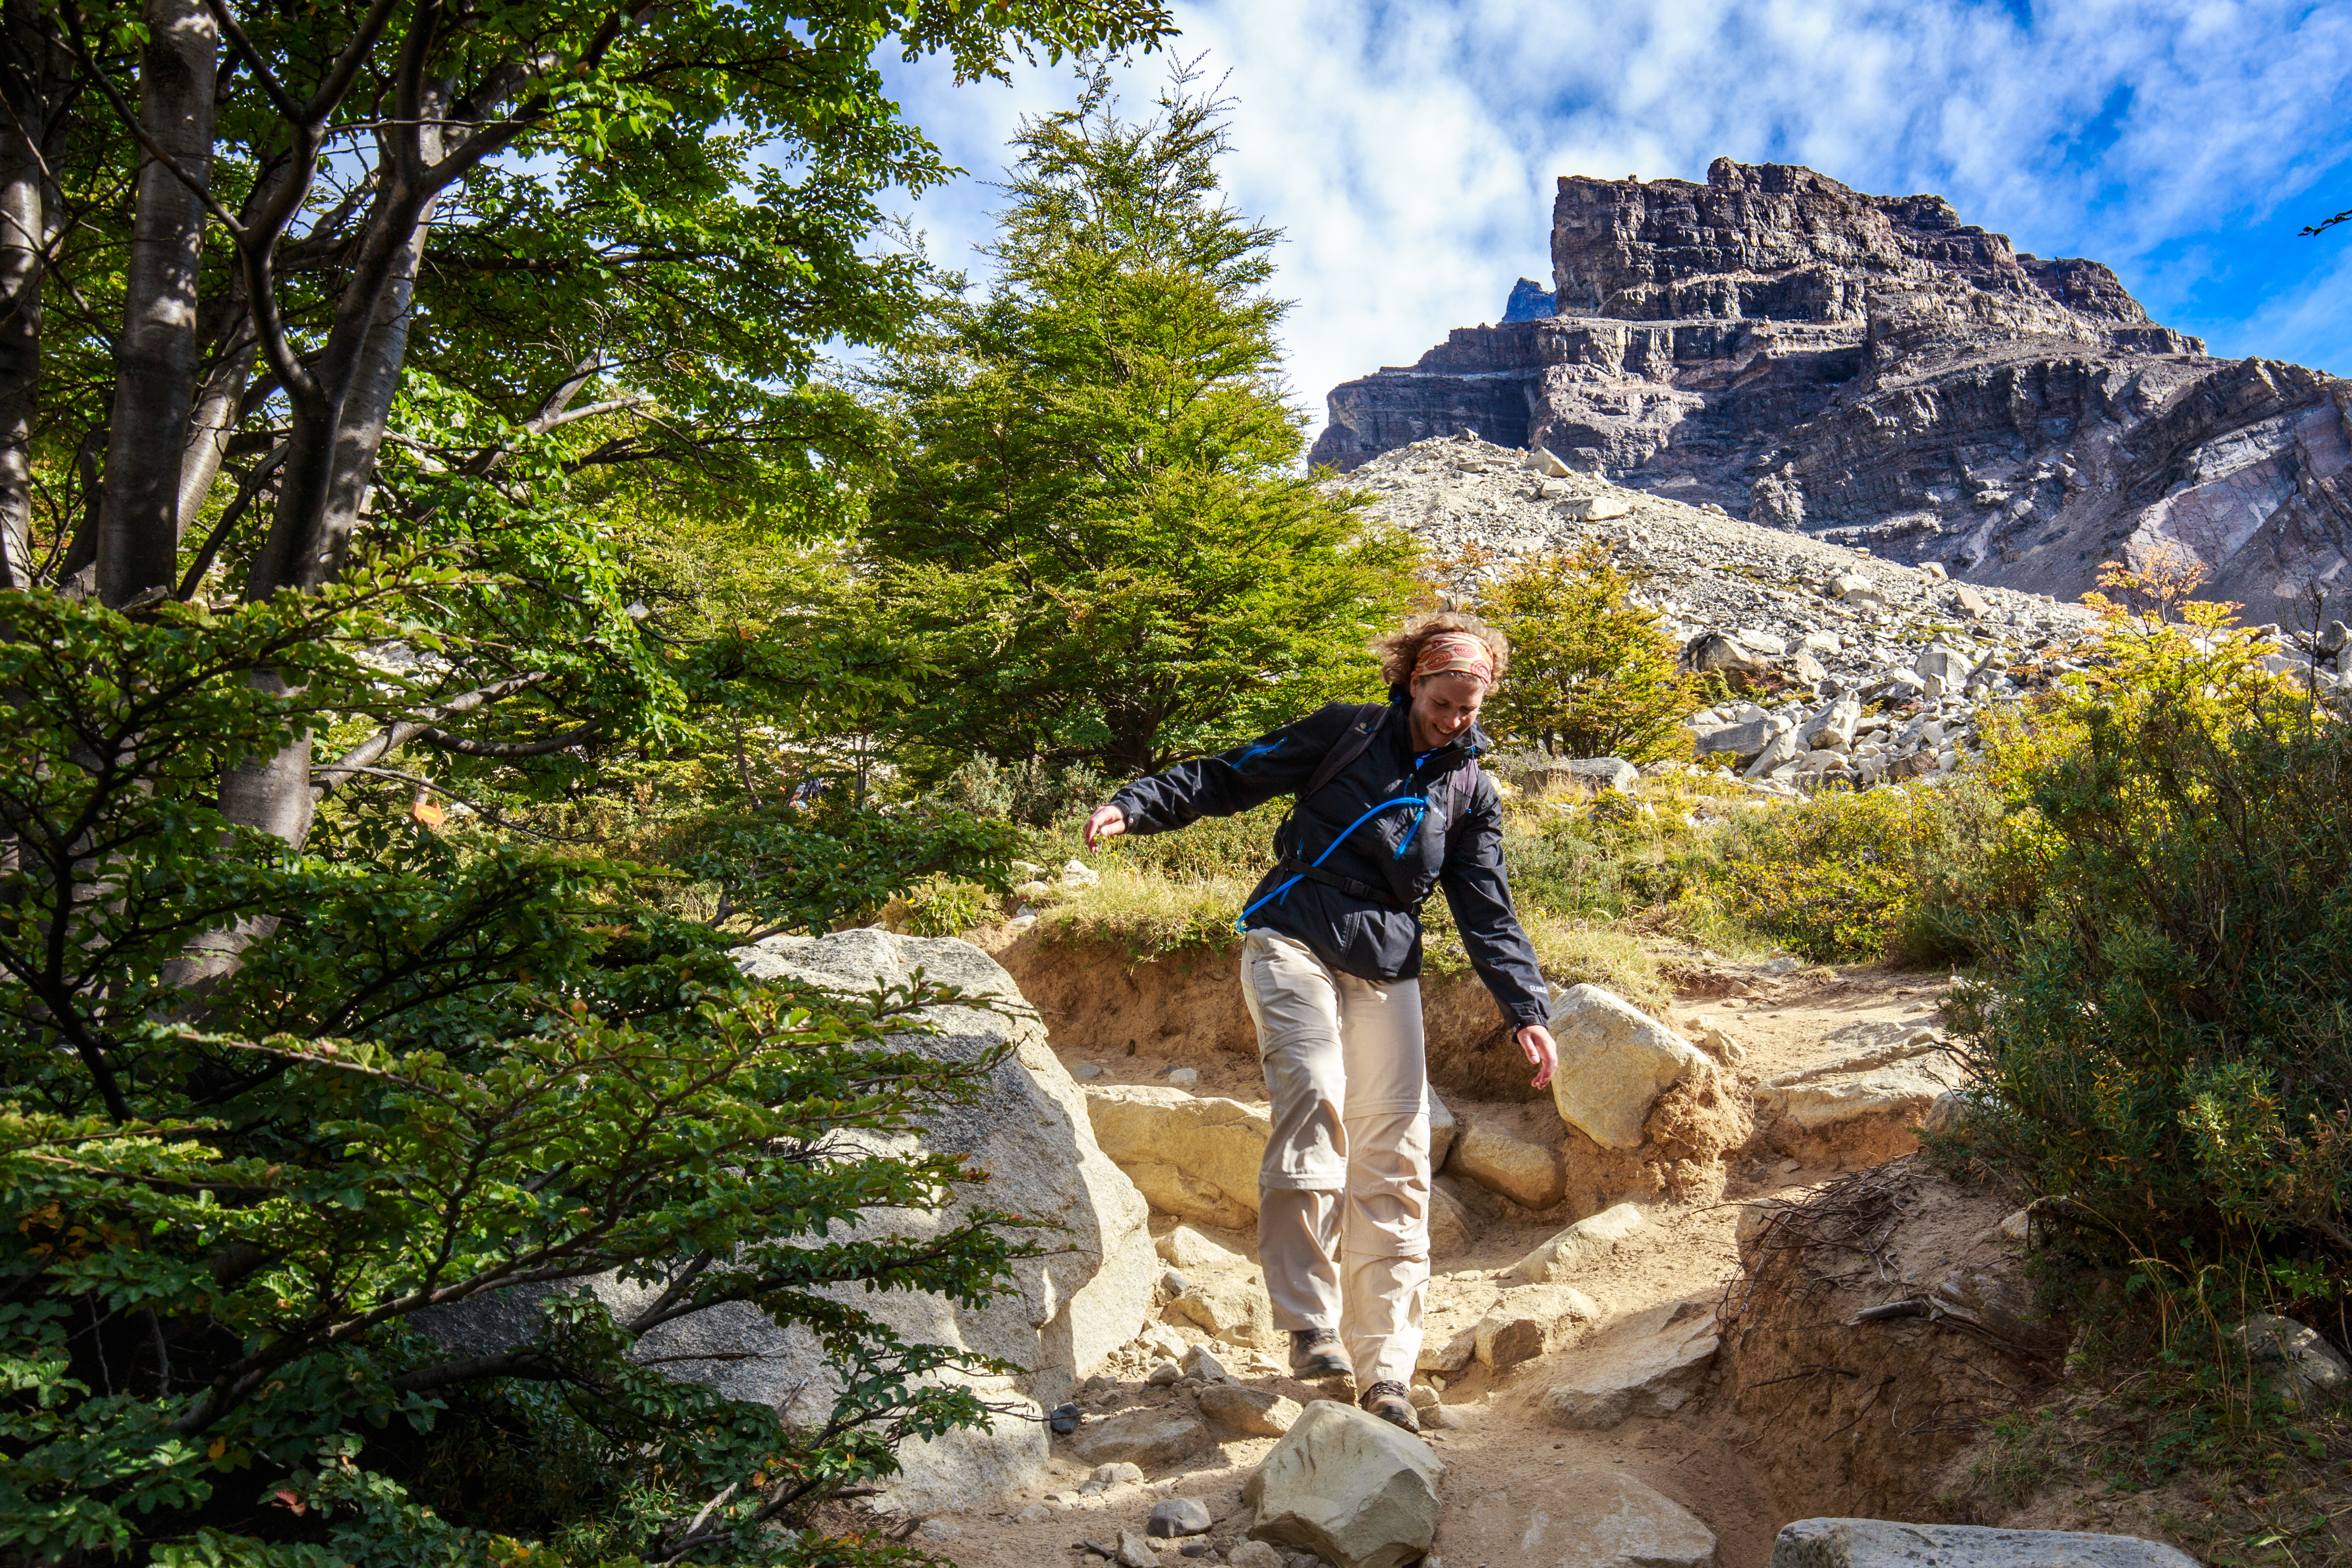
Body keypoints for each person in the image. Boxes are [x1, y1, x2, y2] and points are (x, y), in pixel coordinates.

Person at [1083, 612, 1559, 1432]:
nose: (1454, 721)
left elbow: (1487, 910)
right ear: (1414, 682)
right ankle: (1309, 1321)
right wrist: (1138, 805)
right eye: (1443, 702)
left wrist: (1527, 1011)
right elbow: (1231, 775)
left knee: (1400, 1154)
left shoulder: (1471, 790)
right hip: (1291, 933)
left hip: (1385, 961)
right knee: (1314, 1090)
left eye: (1469, 710)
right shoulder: (1346, 732)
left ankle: (1387, 1370)